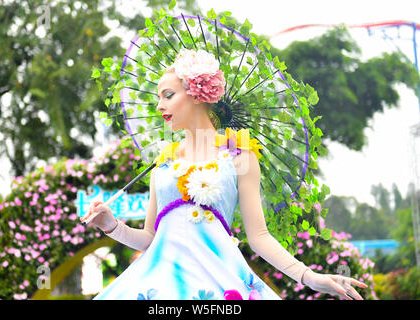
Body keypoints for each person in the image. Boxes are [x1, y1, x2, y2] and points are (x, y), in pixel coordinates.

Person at [83, 48, 368, 300]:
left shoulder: (240, 156)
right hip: (159, 282)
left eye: (168, 95)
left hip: (219, 281)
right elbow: (149, 239)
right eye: (159, 98)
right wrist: (111, 225)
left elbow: (259, 236)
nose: (160, 106)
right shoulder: (163, 164)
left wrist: (309, 278)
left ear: (196, 94)